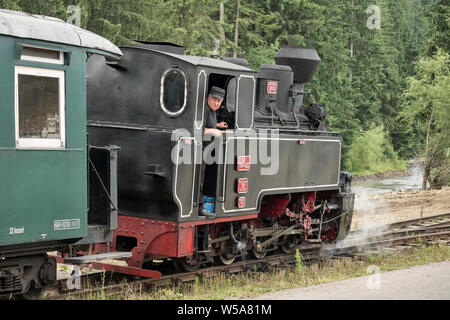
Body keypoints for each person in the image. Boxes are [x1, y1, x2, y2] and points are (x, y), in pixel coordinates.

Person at [200, 86, 227, 217]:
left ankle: (202, 204)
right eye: (214, 100)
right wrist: (212, 131)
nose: (216, 103)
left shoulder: (212, 110)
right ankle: (199, 207)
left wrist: (217, 126)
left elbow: (208, 124)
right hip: (199, 149)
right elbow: (196, 128)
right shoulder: (203, 109)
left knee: (204, 177)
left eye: (219, 101)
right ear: (208, 98)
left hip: (207, 150)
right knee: (199, 178)